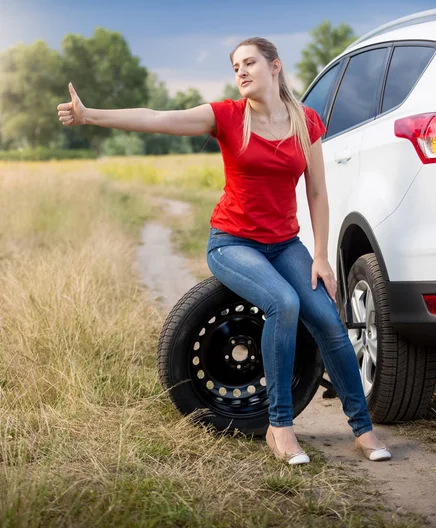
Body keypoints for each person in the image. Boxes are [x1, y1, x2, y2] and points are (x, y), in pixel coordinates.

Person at [57, 37, 392, 465]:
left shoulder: (305, 121)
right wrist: (90, 116)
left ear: (275, 66)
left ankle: (362, 429)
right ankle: (280, 426)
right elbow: (156, 117)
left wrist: (322, 255)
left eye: (249, 62)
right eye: (236, 67)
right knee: (284, 303)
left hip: (285, 245)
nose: (241, 72)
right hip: (232, 243)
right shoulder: (228, 117)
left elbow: (317, 192)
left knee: (327, 317)